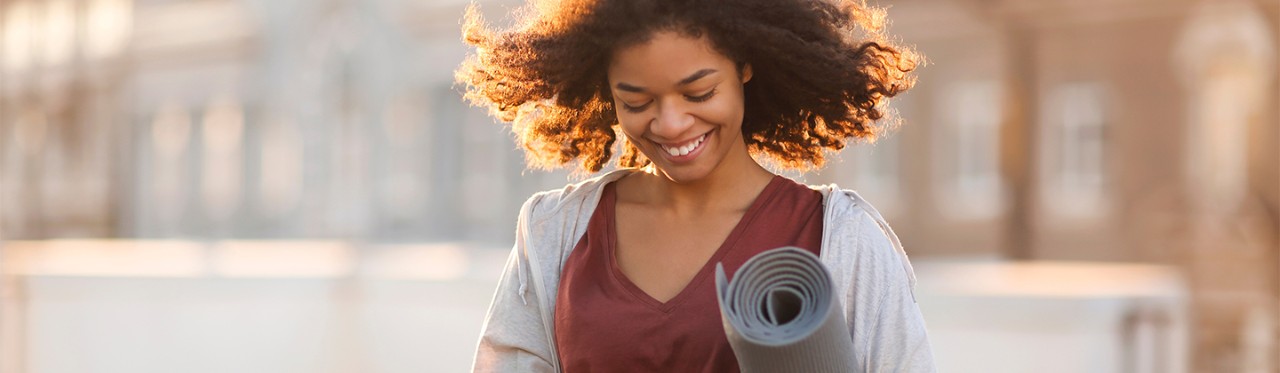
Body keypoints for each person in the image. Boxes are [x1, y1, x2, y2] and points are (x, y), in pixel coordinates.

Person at [457, 0, 934, 371]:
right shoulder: (555, 234)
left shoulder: (842, 240)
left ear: (745, 67)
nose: (670, 124)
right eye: (637, 101)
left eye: (699, 93)